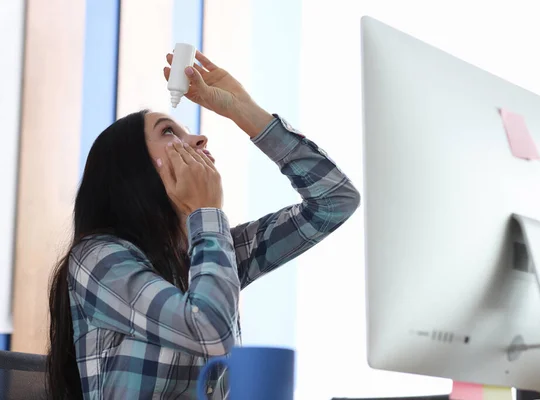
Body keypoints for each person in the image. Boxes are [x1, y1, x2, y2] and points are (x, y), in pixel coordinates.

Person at [46, 50, 360, 399]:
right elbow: (209, 332)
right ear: (131, 171)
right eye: (168, 131)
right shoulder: (98, 260)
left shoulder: (210, 253)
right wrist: (206, 211)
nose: (199, 140)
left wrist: (246, 113)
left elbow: (335, 201)